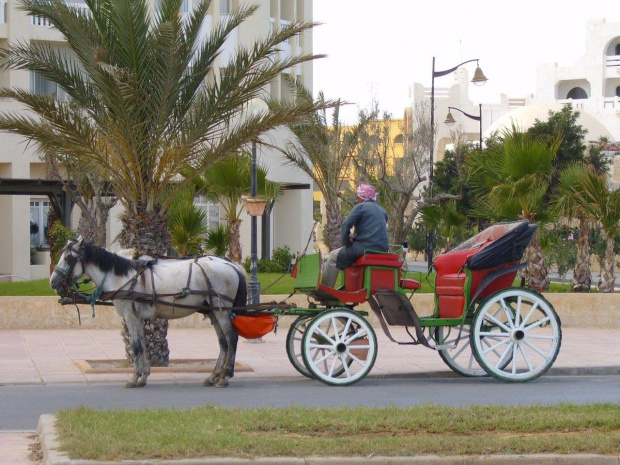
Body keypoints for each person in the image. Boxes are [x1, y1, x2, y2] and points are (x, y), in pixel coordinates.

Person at [320, 183, 389, 288]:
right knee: (344, 255)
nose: (357, 199)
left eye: (358, 197)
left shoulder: (360, 207)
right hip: (382, 249)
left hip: (364, 248)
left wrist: (346, 242)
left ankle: (325, 290)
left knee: (333, 256)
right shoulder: (382, 211)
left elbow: (346, 224)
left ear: (362, 197)